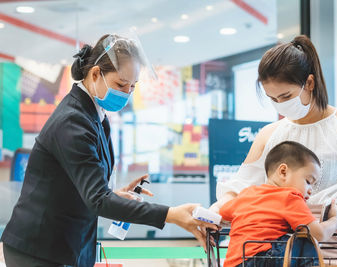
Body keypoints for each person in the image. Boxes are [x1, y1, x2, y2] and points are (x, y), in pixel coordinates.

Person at [1, 34, 217, 267]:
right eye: (121, 84)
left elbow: (89, 189)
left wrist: (114, 195)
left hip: (65, 246)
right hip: (40, 248)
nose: (126, 94)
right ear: (95, 74)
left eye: (132, 87)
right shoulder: (73, 121)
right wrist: (172, 214)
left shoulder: (95, 116)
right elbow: (98, 200)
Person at [211, 35, 337, 236]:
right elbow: (240, 187)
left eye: (286, 96)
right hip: (278, 244)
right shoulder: (269, 134)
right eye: (272, 99)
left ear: (309, 83)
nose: (280, 105)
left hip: (335, 241)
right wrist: (215, 210)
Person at [220, 141, 337, 267]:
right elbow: (319, 234)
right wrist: (333, 219)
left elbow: (222, 213)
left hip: (234, 263)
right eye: (308, 181)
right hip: (263, 261)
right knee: (304, 237)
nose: (310, 190)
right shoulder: (290, 197)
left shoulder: (246, 194)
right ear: (283, 171)